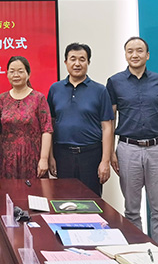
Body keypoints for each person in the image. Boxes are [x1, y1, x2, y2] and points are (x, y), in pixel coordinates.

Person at [106, 37, 158, 248]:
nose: (135, 55)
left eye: (140, 50)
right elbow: (111, 119)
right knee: (132, 210)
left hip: (157, 149)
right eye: (130, 51)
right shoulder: (114, 82)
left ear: (147, 55)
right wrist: (111, 153)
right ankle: (138, 253)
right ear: (125, 55)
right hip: (128, 149)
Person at [47, 42, 114, 196]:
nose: (77, 63)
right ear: (65, 62)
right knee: (64, 201)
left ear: (88, 62)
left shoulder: (100, 90)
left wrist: (105, 161)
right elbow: (49, 125)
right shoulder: (55, 89)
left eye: (82, 59)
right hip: (62, 154)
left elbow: (107, 127)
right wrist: (51, 157)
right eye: (73, 59)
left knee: (91, 201)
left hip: (91, 154)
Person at [0, 56, 52, 179]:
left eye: (20, 71)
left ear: (28, 74)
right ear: (7, 74)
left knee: (34, 190)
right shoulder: (1, 99)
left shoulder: (38, 98)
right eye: (12, 71)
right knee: (9, 190)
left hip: (33, 157)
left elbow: (47, 130)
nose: (16, 75)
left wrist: (44, 159)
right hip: (7, 159)